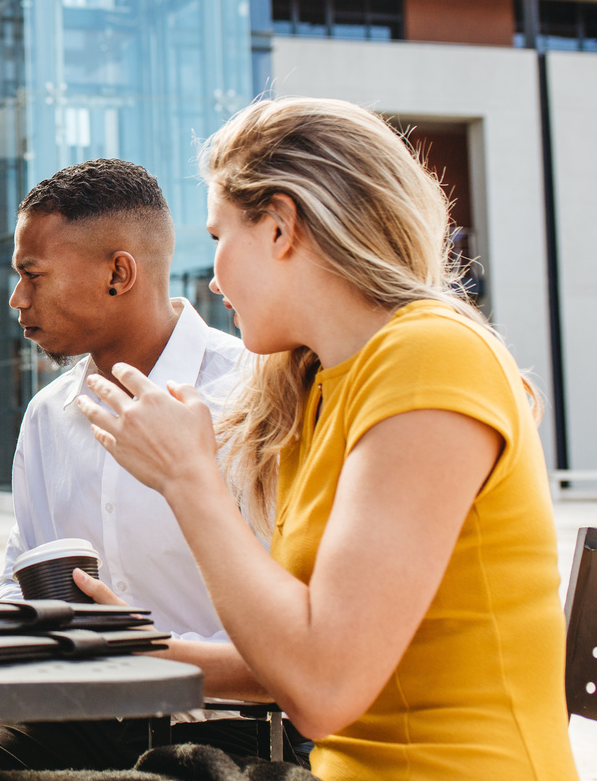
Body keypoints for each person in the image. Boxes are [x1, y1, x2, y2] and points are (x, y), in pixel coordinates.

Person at [77, 97, 578, 779]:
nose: (214, 275)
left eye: (221, 236)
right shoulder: (315, 390)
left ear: (281, 225)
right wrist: (143, 651)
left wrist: (186, 479)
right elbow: (310, 652)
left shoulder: (431, 355)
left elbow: (324, 689)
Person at [0, 159, 302, 781]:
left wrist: (152, 658)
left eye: (32, 275)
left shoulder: (259, 395)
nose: (17, 299)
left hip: (241, 732)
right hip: (74, 721)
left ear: (119, 273)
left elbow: (308, 632)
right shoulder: (49, 414)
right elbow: (21, 577)